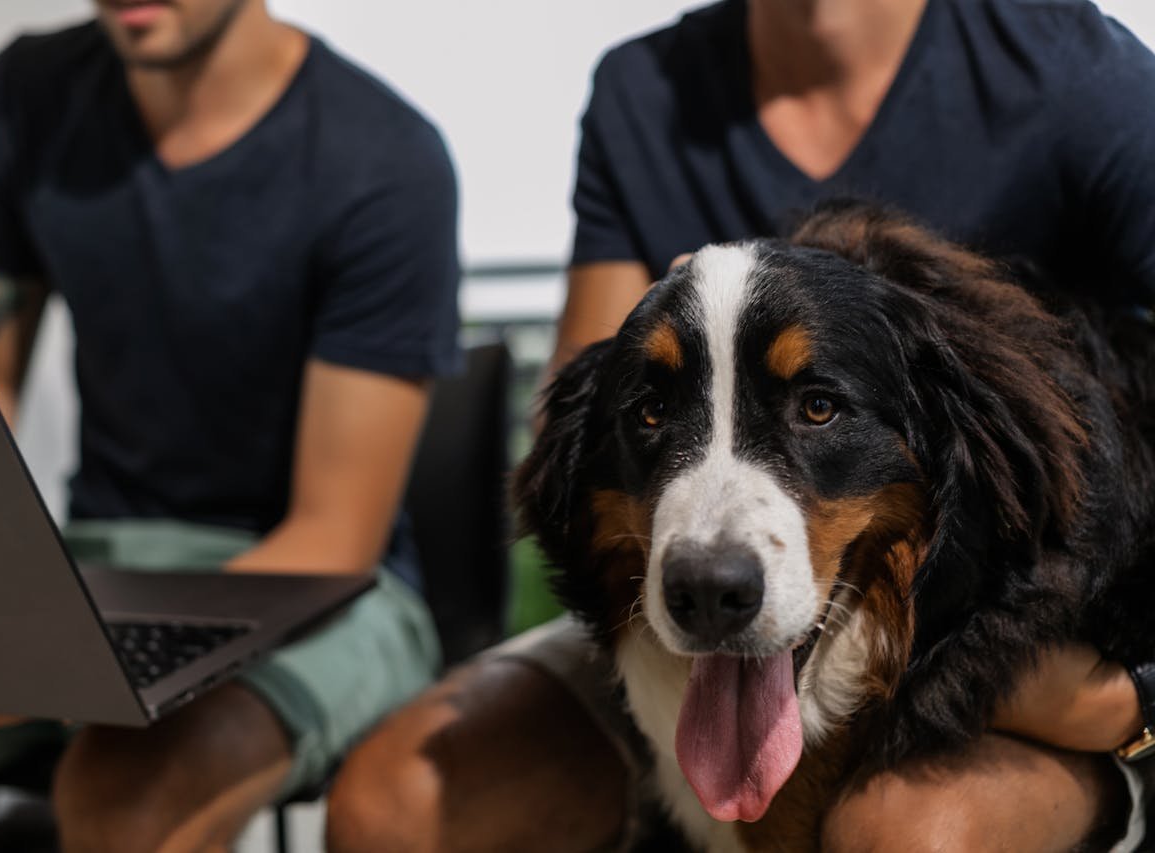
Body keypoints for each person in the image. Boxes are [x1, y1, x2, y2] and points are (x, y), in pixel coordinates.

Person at [325, 0, 1155, 850]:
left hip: (1024, 641)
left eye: (817, 405)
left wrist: (1136, 695)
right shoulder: (644, 90)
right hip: (665, 633)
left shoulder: (1068, 67)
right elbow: (577, 438)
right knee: (396, 802)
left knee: (905, 837)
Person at [0, 0, 459, 850]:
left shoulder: (382, 161)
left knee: (128, 797)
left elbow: (335, 536)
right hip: (99, 566)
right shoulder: (30, 93)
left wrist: (65, 670)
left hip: (327, 592)